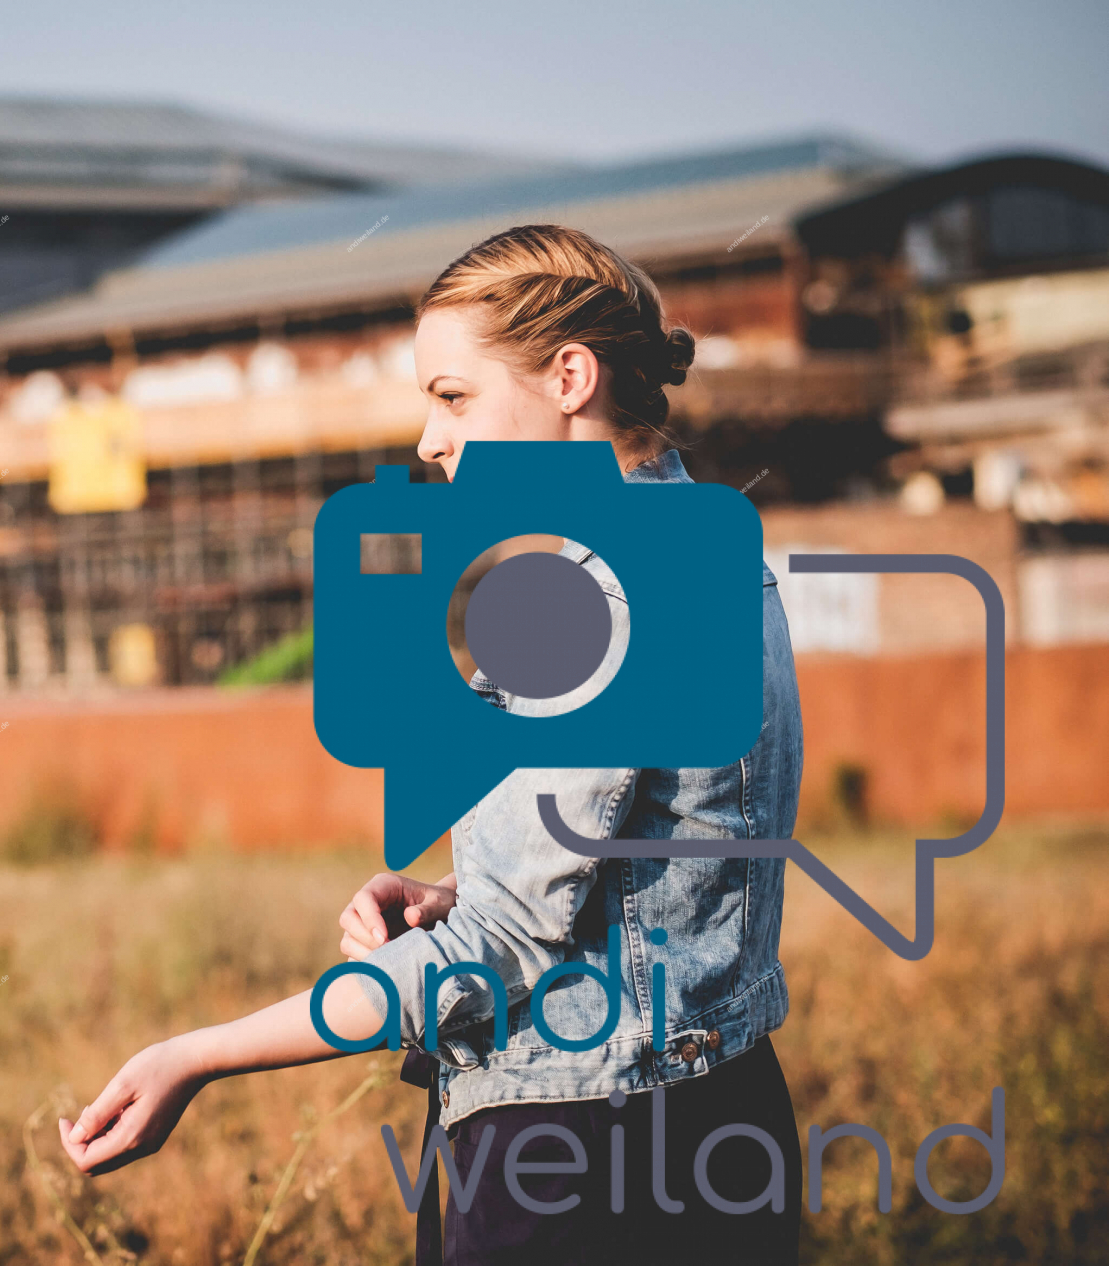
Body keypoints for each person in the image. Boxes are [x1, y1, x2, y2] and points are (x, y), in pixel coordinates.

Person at [58, 224, 804, 1265]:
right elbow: (675, 847)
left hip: (571, 1155)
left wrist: (191, 1058)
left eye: (452, 397)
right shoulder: (717, 554)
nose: (428, 441)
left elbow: (492, 952)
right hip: (726, 1114)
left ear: (570, 378)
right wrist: (462, 889)